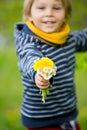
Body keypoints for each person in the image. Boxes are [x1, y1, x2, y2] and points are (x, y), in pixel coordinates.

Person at [14, 0, 87, 129]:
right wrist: (38, 71)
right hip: (42, 120)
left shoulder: (69, 39)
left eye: (57, 8)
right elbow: (29, 57)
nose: (49, 13)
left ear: (66, 14)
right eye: (41, 8)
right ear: (29, 14)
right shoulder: (28, 42)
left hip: (68, 113)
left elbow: (85, 38)